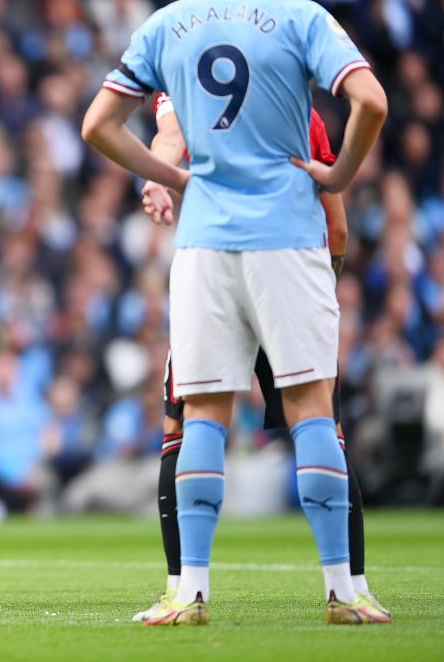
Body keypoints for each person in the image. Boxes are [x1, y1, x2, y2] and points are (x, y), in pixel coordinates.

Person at [81, 0, 388, 625]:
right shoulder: (302, 16)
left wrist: (173, 178)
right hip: (286, 235)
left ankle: (188, 592)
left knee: (203, 418)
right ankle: (344, 592)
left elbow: (98, 125)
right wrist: (339, 173)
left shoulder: (168, 22)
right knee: (311, 409)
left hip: (204, 244)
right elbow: (370, 102)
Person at [133, 95, 390, 621]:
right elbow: (337, 222)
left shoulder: (188, 82)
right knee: (321, 424)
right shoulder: (298, 104)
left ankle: (183, 589)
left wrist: (157, 178)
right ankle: (350, 587)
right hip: (287, 271)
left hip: (211, 271)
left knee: (187, 425)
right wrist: (322, 287)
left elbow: (158, 133)